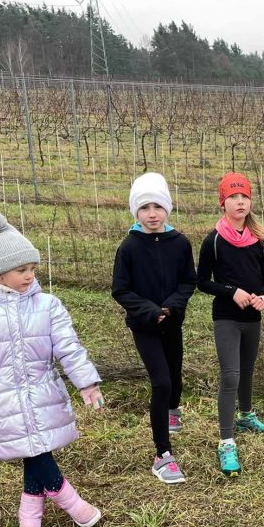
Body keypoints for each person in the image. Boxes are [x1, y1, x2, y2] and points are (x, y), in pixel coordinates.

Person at [0, 213, 104, 527]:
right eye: (22, 270)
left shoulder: (48, 305)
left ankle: (29, 524)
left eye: (33, 269)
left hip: (42, 393)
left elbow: (68, 346)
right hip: (1, 401)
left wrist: (86, 383)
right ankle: (73, 504)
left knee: (36, 453)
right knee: (35, 454)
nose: (29, 276)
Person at [111, 172, 197, 483]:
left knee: (174, 379)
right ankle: (162, 454)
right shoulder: (129, 247)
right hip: (144, 326)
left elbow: (189, 280)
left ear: (167, 210)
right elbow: (121, 290)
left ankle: (172, 410)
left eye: (157, 207)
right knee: (160, 383)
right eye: (144, 207)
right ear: (136, 211)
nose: (151, 214)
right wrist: (149, 311)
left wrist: (172, 306)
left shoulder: (180, 243)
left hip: (172, 322)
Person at [196, 172, 264, 477]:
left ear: (250, 201)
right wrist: (232, 292)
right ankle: (226, 441)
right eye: (233, 197)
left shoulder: (261, 240)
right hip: (226, 317)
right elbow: (201, 281)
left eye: (244, 196)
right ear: (223, 203)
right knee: (231, 375)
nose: (239, 202)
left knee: (248, 368)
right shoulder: (213, 241)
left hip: (252, 317)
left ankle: (245, 415)